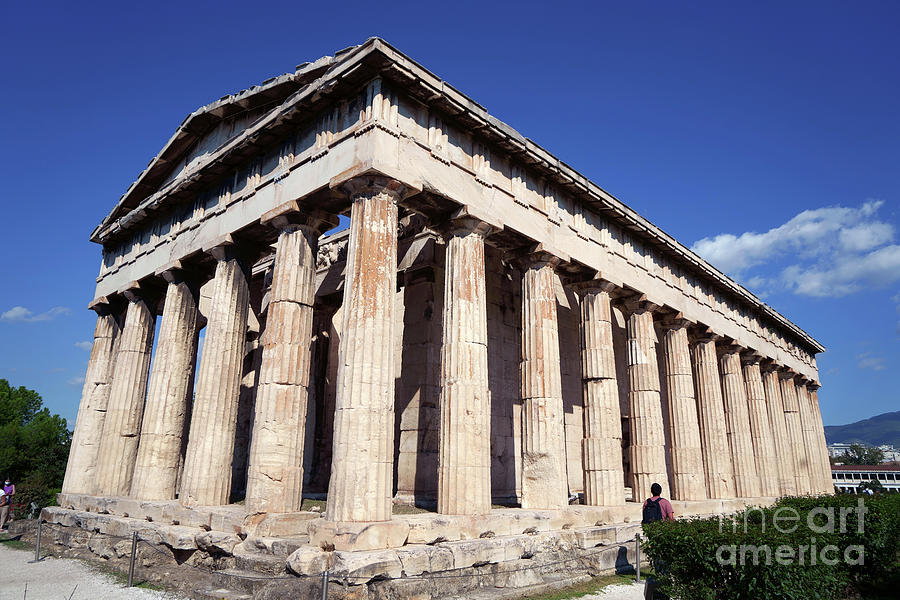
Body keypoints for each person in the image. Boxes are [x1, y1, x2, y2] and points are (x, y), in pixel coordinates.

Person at [641, 482, 673, 600]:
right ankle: (663, 574)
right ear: (660, 491)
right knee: (663, 553)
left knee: (655, 553)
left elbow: (644, 518)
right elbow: (671, 518)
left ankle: (658, 572)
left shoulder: (646, 502)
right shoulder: (665, 502)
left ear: (651, 491)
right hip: (662, 532)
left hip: (651, 532)